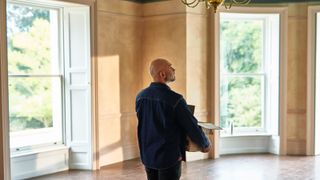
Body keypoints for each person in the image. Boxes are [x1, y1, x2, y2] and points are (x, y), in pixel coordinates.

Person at [135, 58, 211, 180]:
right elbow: (191, 126)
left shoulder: (140, 96)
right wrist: (205, 144)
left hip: (148, 155)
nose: (174, 69)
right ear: (163, 74)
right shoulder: (175, 100)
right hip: (168, 157)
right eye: (170, 67)